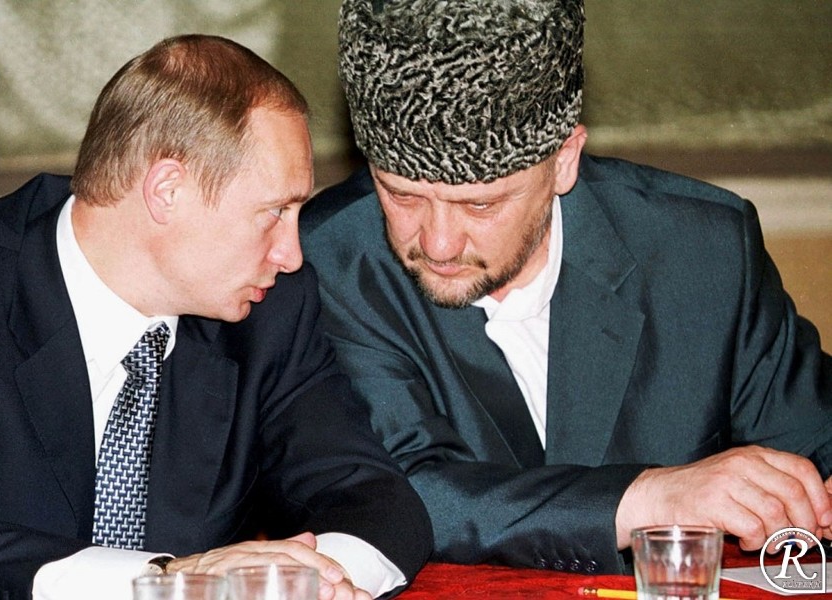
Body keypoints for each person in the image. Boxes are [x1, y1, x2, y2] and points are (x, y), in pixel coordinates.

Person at [299, 0, 832, 575]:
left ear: (563, 162)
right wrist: (647, 498)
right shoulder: (331, 261)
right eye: (401, 194)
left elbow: (813, 435)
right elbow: (397, 491)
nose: (439, 243)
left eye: (480, 204)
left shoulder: (704, 250)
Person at [0, 34, 432, 599]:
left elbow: (374, 498)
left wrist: (307, 581)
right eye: (274, 211)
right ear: (167, 190)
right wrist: (167, 583)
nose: (291, 255)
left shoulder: (272, 310)